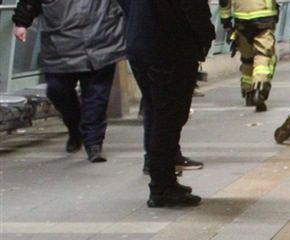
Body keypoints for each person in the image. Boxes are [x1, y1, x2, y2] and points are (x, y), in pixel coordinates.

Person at [118, 0, 214, 208]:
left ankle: (164, 181)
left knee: (156, 112)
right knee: (168, 118)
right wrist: (205, 36)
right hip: (171, 46)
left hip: (139, 43)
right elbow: (193, 7)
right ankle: (162, 187)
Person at [10, 0, 125, 163]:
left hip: (101, 38)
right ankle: (75, 126)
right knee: (57, 90)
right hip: (59, 44)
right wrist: (22, 22)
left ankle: (93, 143)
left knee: (96, 97)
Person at [219, 0, 279, 112]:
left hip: (241, 21)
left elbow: (223, 2)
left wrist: (226, 22)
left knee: (247, 58)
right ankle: (259, 89)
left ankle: (248, 92)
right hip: (264, 18)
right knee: (263, 55)